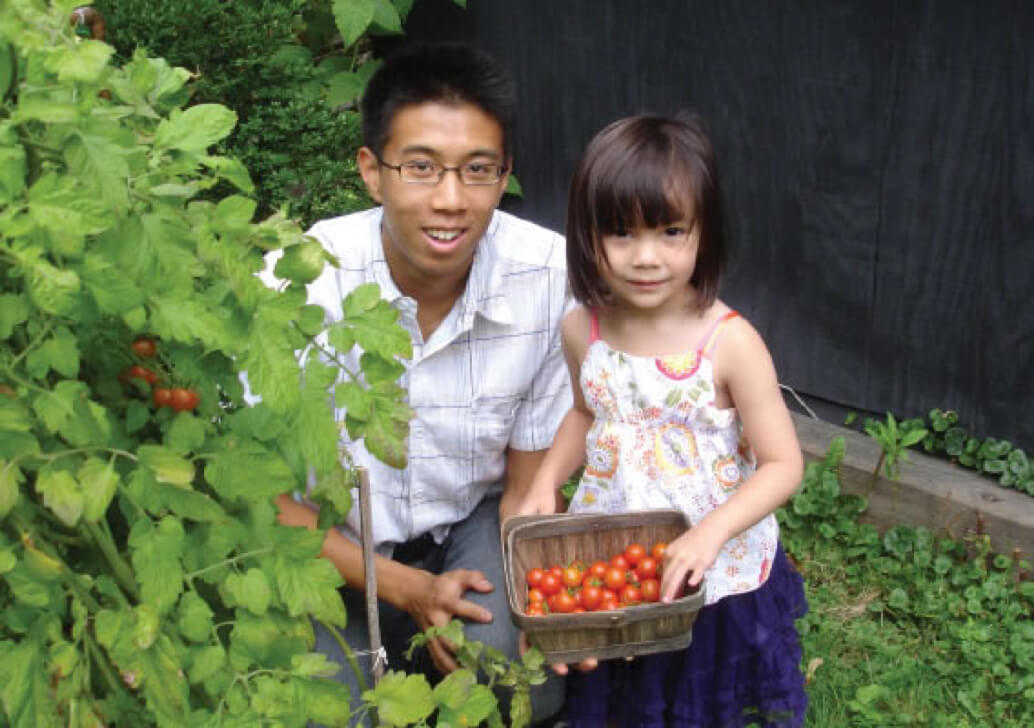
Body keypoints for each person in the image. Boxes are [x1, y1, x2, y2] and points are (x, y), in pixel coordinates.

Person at [269, 43, 570, 724]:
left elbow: (525, 482)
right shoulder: (298, 285)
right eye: (421, 167)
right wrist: (408, 590)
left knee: (527, 680)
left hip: (468, 523)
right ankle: (394, 636)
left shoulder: (549, 278)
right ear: (372, 172)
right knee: (331, 714)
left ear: (505, 175)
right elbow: (265, 498)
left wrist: (530, 589)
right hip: (330, 543)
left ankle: (437, 638)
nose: (450, 200)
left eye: (477, 171)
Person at [517, 114, 809, 726]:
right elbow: (583, 411)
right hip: (621, 544)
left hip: (712, 556)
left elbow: (783, 465)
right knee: (632, 674)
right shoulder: (583, 329)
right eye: (621, 233)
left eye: (671, 231)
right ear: (586, 235)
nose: (645, 257)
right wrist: (546, 481)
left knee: (704, 672)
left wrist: (711, 532)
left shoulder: (729, 343)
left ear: (706, 233)